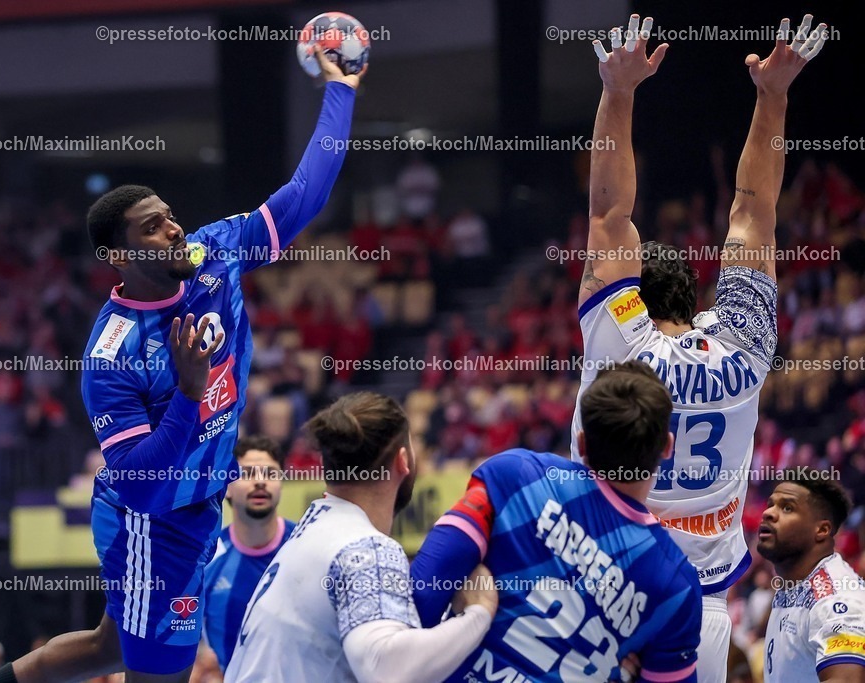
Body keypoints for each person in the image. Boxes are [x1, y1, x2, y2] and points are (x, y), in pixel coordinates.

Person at [0, 48, 361, 683]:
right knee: (162, 672)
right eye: (153, 229)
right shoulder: (112, 355)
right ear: (118, 256)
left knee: (108, 648)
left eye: (170, 216)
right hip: (150, 527)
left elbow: (305, 194)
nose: (174, 231)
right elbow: (140, 486)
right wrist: (188, 394)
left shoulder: (214, 252)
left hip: (197, 504)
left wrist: (340, 88)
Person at [571, 13, 827, 681]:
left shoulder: (619, 341)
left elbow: (608, 214)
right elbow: (753, 209)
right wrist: (774, 96)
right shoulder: (742, 341)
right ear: (696, 300)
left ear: (634, 293)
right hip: (702, 609)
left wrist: (617, 90)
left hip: (603, 598)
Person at [412, 361, 702, 682]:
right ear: (667, 447)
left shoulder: (514, 473)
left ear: (581, 444)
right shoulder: (677, 586)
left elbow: (423, 587)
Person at [225, 392, 498, 682]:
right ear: (403, 461)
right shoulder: (365, 547)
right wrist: (478, 614)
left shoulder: (314, 525)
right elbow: (388, 670)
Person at [189, 436, 296, 681]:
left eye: (270, 473)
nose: (260, 481)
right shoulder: (206, 560)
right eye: (247, 473)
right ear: (226, 486)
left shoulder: (307, 546)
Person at [759, 472, 865, 682]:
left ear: (822, 530)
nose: (768, 513)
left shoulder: (835, 597)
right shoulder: (793, 587)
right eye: (770, 504)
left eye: (787, 508)